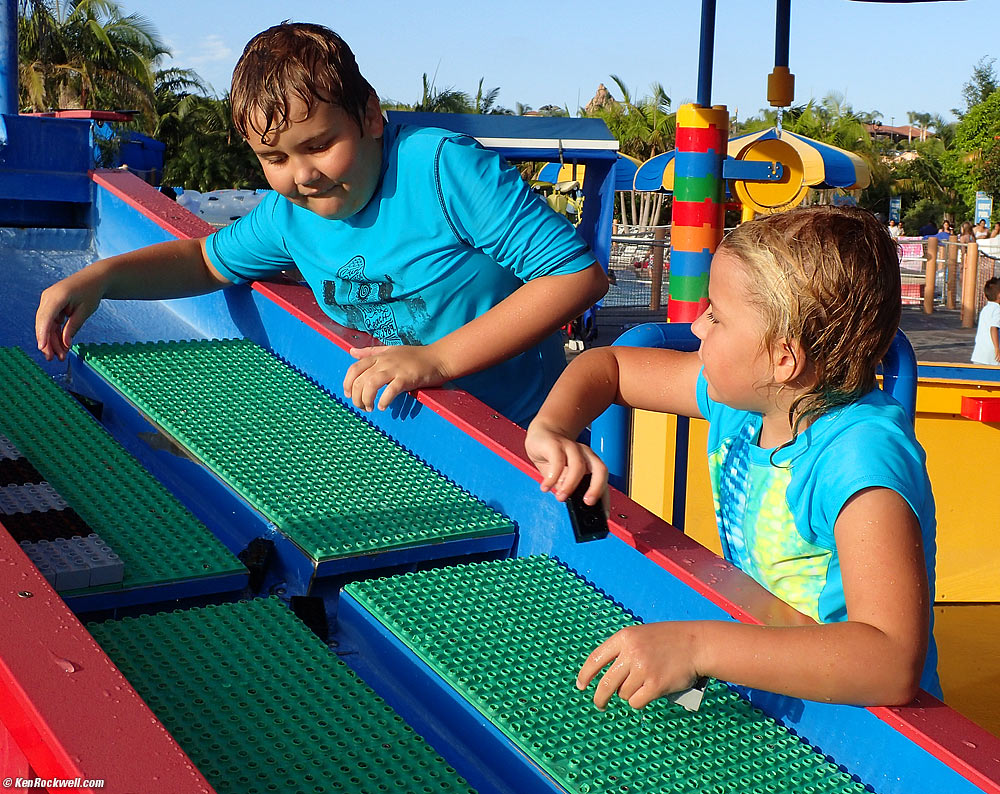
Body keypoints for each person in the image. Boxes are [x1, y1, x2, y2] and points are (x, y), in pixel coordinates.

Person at [35, 22, 608, 428]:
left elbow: (576, 277)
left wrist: (438, 360)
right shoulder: (290, 216)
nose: (303, 175)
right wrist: (101, 278)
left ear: (369, 116)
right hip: (414, 435)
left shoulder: (439, 168)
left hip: (526, 437)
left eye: (319, 145)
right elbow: (205, 260)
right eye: (275, 158)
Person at [525, 205, 940, 708]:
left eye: (717, 316)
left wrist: (698, 646)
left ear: (783, 358)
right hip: (771, 679)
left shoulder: (859, 461)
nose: (697, 326)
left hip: (862, 724)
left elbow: (889, 663)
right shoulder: (748, 402)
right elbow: (608, 365)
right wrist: (552, 429)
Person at [971, 278, 1000, 366]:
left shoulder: (985, 309)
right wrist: (997, 348)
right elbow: (993, 328)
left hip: (979, 353)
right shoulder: (998, 309)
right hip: (992, 355)